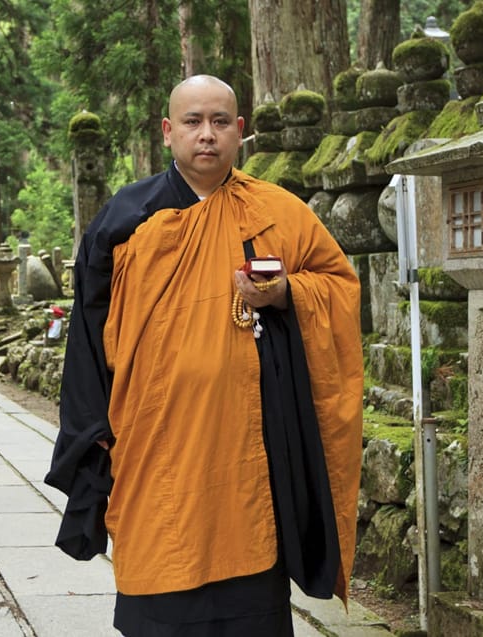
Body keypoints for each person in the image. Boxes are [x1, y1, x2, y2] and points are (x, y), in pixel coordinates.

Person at [46, 75, 364, 637]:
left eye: (220, 122)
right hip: (153, 443)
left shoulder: (278, 211)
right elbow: (89, 336)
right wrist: (91, 431)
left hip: (248, 448)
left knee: (250, 598)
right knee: (158, 588)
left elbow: (338, 285)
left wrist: (287, 293)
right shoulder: (125, 220)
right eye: (193, 122)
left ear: (240, 133)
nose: (207, 135)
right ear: (169, 132)